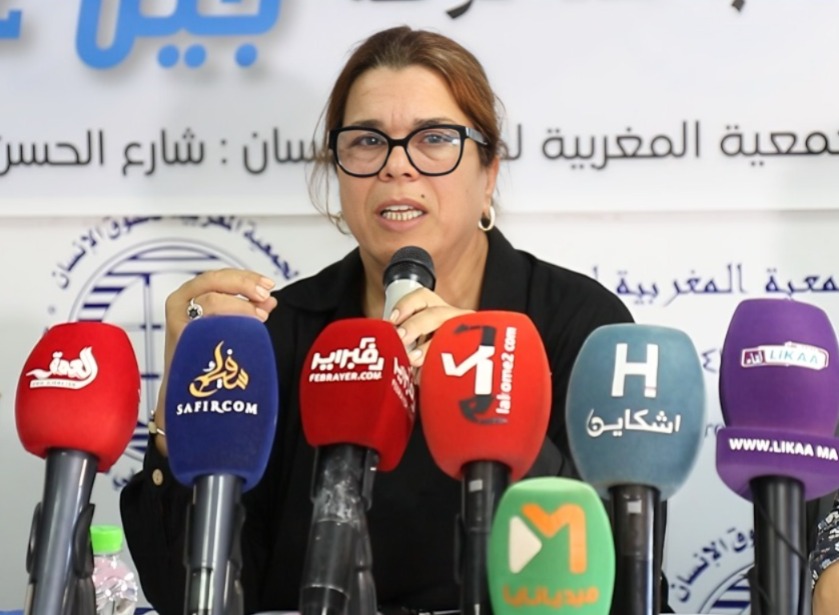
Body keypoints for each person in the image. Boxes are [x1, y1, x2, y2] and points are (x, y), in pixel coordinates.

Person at [120, 25, 672, 614]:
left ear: (488, 173)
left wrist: (484, 401)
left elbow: (627, 583)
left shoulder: (580, 324)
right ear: (338, 171)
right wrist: (181, 411)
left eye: (434, 138)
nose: (397, 166)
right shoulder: (282, 333)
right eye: (367, 141)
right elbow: (192, 596)